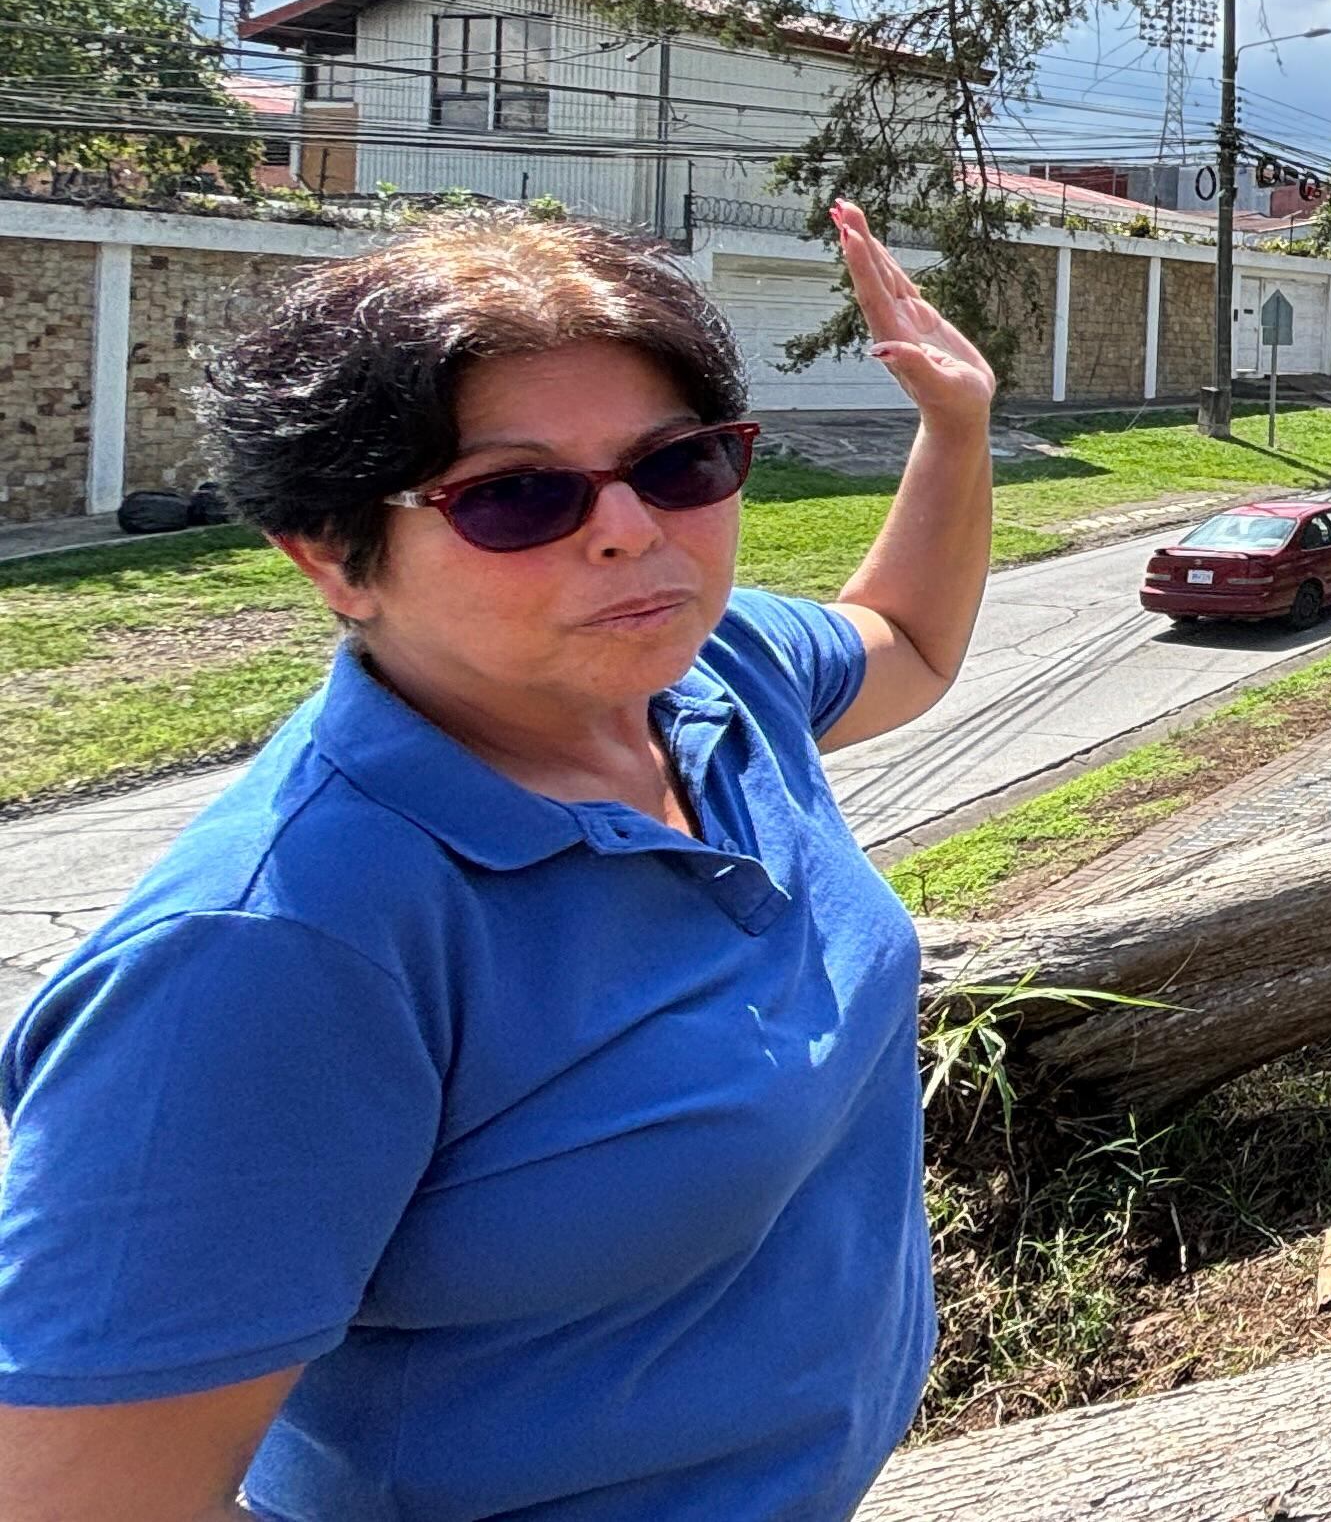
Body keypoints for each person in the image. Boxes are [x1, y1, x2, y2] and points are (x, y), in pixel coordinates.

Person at [0, 203, 994, 1521]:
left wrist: (959, 424)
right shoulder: (280, 952)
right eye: (518, 496)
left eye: (679, 464)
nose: (632, 530)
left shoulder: (714, 678)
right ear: (329, 557)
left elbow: (904, 643)